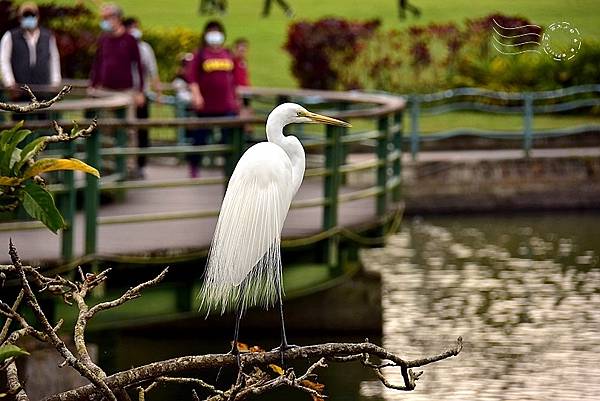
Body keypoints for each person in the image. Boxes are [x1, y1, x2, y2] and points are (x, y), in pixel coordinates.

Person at [187, 20, 239, 178]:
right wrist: (196, 96)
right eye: (211, 31)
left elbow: (234, 80)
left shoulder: (227, 54)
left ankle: (231, 172)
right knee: (200, 139)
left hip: (227, 106)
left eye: (217, 31)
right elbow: (192, 78)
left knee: (229, 140)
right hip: (207, 106)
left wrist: (236, 100)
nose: (214, 34)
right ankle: (194, 167)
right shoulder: (200, 54)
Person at [0, 2, 61, 104]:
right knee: (21, 118)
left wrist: (55, 81)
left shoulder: (48, 36)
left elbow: (54, 59)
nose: (29, 18)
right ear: (20, 18)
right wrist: (9, 82)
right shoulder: (10, 36)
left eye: (32, 15)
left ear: (37, 16)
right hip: (20, 90)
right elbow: (4, 60)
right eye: (26, 15)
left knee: (43, 118)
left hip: (43, 89)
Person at [123, 16, 161, 179]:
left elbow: (153, 71)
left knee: (142, 131)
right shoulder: (122, 46)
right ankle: (125, 165)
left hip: (141, 95)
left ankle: (141, 165)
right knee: (126, 132)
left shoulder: (145, 48)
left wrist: (158, 92)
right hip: (125, 95)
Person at [89, 3, 144, 107]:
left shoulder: (129, 40)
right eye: (102, 18)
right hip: (105, 90)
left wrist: (140, 91)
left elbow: (138, 66)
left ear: (117, 18)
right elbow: (97, 63)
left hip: (125, 91)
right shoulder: (103, 39)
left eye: (106, 18)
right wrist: (93, 85)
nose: (104, 21)